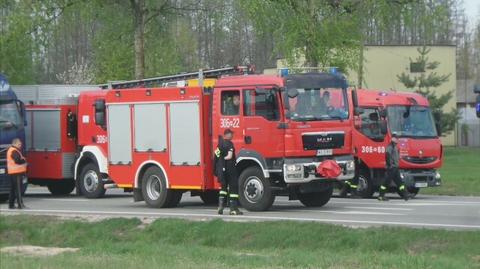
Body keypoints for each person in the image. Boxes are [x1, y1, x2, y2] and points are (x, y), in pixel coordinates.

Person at [214, 129, 242, 215]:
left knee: (223, 188)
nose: (232, 136)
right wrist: (225, 159)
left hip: (222, 170)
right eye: (231, 134)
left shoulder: (219, 145)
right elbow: (229, 156)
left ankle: (220, 207)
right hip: (230, 168)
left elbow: (215, 157)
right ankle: (233, 209)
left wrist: (216, 168)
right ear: (227, 135)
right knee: (233, 187)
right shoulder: (230, 144)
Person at [378, 134, 410, 201]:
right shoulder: (390, 147)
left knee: (399, 182)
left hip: (395, 167)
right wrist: (390, 165)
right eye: (396, 138)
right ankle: (381, 196)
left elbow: (396, 156)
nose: (397, 140)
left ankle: (405, 195)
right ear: (393, 139)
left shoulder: (395, 147)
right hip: (391, 168)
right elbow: (387, 155)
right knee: (386, 182)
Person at [7, 138, 27, 209]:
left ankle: (11, 205)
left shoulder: (12, 150)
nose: (20, 145)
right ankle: (20, 205)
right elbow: (17, 160)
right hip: (17, 173)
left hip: (13, 172)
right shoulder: (14, 151)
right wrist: (24, 160)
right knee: (18, 190)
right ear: (14, 143)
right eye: (19, 144)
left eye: (20, 144)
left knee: (13, 189)